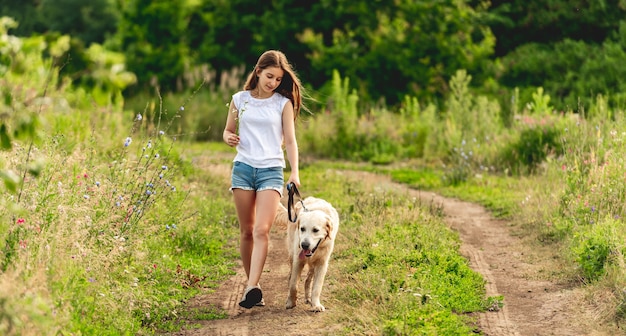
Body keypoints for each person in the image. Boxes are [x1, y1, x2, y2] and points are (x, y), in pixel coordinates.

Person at [223, 50, 304, 309]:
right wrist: (228, 137)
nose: (273, 83)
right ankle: (253, 287)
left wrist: (295, 172)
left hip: (271, 169)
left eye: (278, 79)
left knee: (261, 230)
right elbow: (228, 130)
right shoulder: (240, 99)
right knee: (247, 231)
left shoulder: (282, 103)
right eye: (270, 76)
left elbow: (290, 140)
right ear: (258, 71)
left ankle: (250, 286)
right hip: (243, 168)